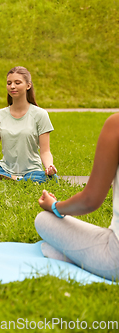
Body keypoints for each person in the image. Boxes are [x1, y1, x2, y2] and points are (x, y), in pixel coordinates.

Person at [36, 113, 119, 280]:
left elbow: (90, 201)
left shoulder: (115, 125)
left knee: (43, 220)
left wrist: (54, 206)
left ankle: (74, 256)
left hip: (114, 259)